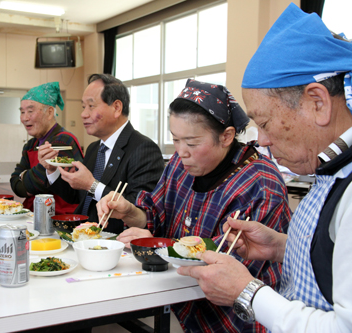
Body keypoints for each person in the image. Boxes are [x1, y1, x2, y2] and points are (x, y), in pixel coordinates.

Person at [177, 4, 352, 332]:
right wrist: (283, 247)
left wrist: (248, 293)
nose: (263, 141)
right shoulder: (332, 168)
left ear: (318, 102)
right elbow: (338, 261)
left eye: (265, 122)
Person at [97, 79, 291, 332]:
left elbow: (234, 272)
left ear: (227, 136)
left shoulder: (260, 184)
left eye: (191, 143)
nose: (181, 152)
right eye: (175, 140)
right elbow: (156, 214)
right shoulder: (179, 164)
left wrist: (162, 248)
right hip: (177, 298)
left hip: (234, 316)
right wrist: (131, 212)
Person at [42, 74, 164, 234]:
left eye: (91, 106)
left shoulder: (143, 148)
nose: (83, 114)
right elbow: (77, 197)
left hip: (114, 242)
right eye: (83, 107)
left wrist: (91, 185)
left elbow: (139, 210)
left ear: (116, 108)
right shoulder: (94, 148)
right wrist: (52, 170)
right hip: (82, 236)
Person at [10, 82, 83, 214]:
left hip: (59, 218)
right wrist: (26, 179)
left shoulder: (63, 140)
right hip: (34, 215)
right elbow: (16, 186)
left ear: (49, 113)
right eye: (22, 112)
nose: (25, 118)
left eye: (30, 111)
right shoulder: (30, 145)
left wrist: (24, 176)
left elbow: (39, 183)